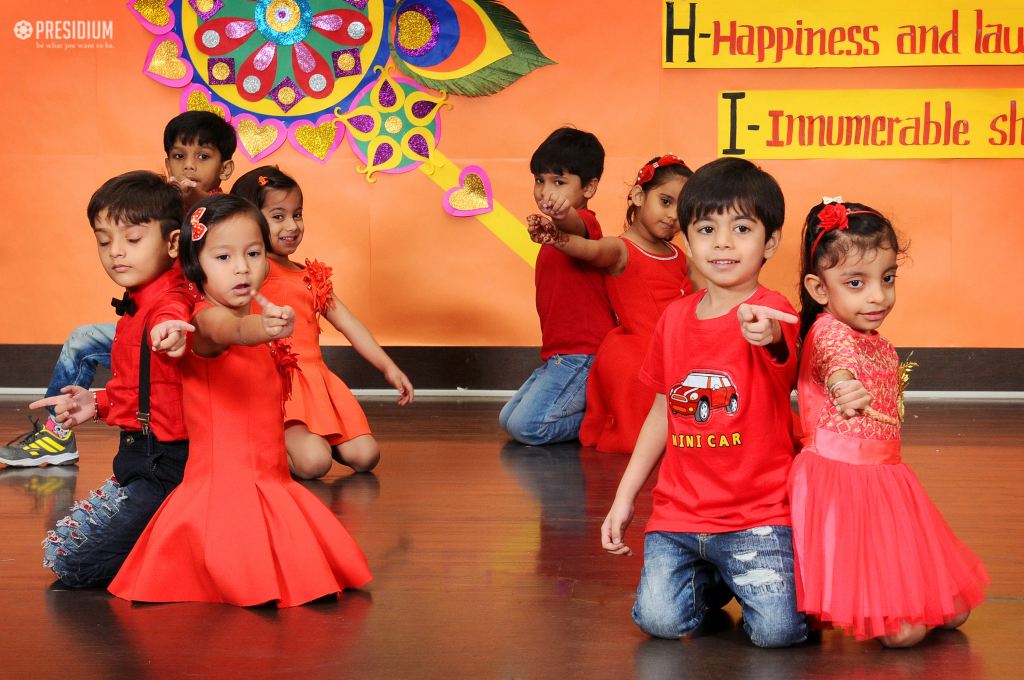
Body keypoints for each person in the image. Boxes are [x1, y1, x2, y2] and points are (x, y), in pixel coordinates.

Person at [109, 194, 372, 607]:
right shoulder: (205, 319)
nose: (241, 268)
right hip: (223, 487)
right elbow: (234, 331)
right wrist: (263, 327)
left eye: (252, 253)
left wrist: (265, 325)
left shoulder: (252, 308)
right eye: (223, 257)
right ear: (197, 267)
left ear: (267, 258)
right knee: (238, 564)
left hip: (269, 476)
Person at [600, 157, 807, 648]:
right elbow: (660, 412)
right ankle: (715, 577)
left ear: (770, 242)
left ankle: (750, 570)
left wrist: (768, 335)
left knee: (777, 634)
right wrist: (625, 496)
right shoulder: (674, 320)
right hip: (680, 518)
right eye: (707, 228)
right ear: (687, 242)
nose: (723, 242)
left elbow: (783, 352)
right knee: (660, 622)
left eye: (741, 228)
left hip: (757, 517)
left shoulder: (772, 309)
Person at [789, 198, 989, 646]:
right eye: (856, 283)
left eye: (888, 278)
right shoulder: (828, 332)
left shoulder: (875, 338)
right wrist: (844, 387)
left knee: (954, 612)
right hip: (844, 483)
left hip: (886, 479)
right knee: (904, 636)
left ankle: (903, 598)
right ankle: (888, 605)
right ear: (820, 290)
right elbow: (835, 364)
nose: (877, 295)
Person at [0, 111, 236, 467]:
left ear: (225, 168)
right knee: (83, 340)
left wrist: (196, 200)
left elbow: (227, 258)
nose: (189, 167)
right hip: (155, 330)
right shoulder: (156, 208)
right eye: (178, 156)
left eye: (203, 157)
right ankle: (55, 434)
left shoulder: (226, 215)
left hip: (196, 332)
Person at [29, 171, 196, 588]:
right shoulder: (136, 306)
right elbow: (146, 387)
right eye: (104, 241)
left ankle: (181, 554)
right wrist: (98, 402)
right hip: (139, 461)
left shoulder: (166, 302)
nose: (115, 253)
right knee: (61, 550)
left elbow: (175, 313)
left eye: (132, 240)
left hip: (166, 466)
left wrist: (173, 330)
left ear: (173, 242)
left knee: (73, 564)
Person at [231, 166, 414, 479]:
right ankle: (255, 445)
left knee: (366, 456)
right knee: (315, 464)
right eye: (278, 216)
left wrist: (388, 367)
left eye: (297, 214)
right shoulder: (252, 269)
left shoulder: (310, 276)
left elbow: (350, 324)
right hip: (277, 383)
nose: (292, 225)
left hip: (315, 379)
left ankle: (310, 438)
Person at [528, 154, 698, 454]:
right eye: (666, 201)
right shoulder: (620, 248)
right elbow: (589, 249)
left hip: (681, 345)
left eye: (682, 210)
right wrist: (557, 238)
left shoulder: (677, 253)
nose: (673, 215)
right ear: (638, 196)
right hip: (643, 351)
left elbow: (704, 293)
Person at [499, 127, 616, 445]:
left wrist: (562, 215)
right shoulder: (552, 234)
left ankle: (608, 421)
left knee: (527, 426)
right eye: (540, 180)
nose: (544, 191)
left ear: (590, 187)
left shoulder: (585, 223)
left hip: (583, 353)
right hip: (560, 355)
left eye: (558, 182)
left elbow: (573, 224)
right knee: (507, 419)